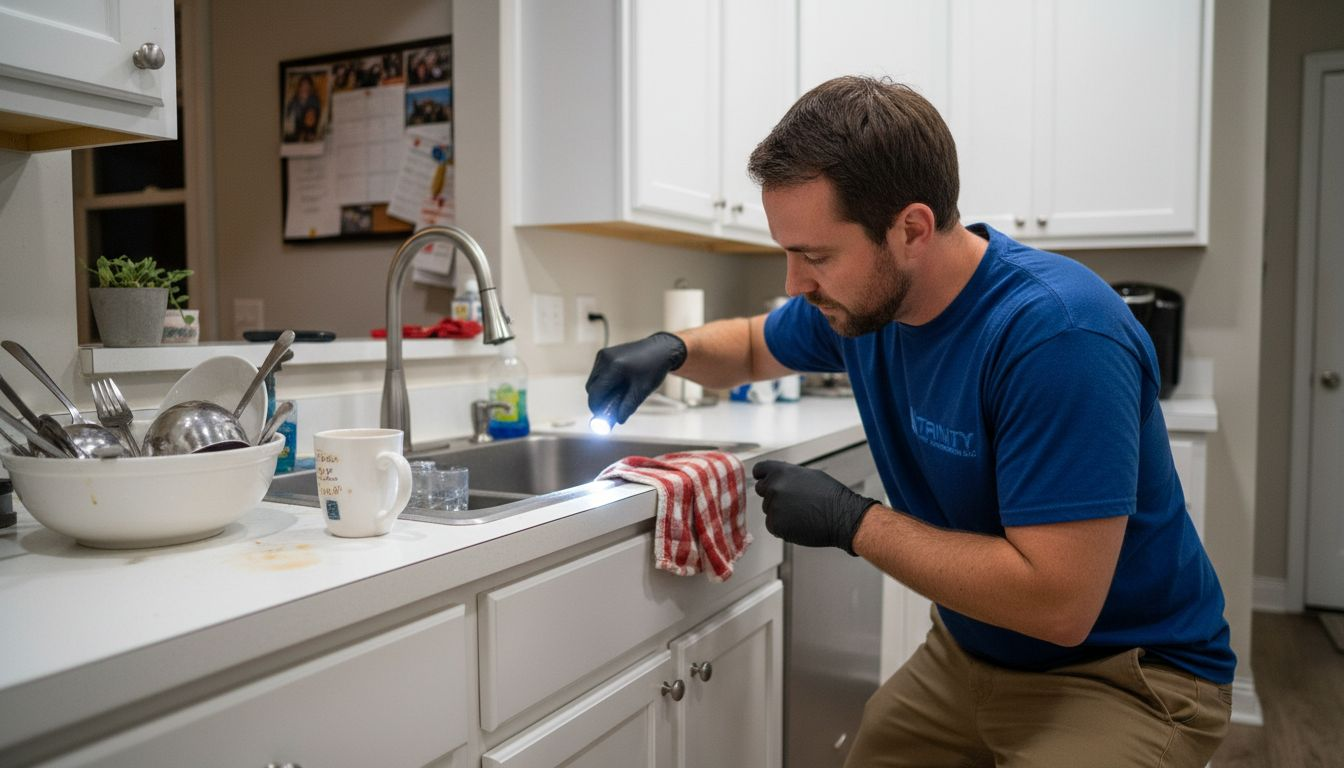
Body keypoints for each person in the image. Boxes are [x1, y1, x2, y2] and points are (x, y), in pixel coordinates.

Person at [584, 76, 1235, 767]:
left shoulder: (1056, 336)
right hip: (969, 652)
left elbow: (1058, 604)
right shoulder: (867, 307)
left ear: (911, 230)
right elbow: (750, 345)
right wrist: (673, 350)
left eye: (816, 255)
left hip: (1124, 674)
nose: (794, 284)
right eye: (788, 252)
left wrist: (853, 522)